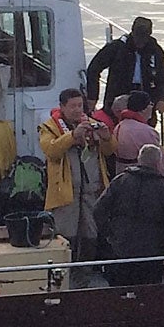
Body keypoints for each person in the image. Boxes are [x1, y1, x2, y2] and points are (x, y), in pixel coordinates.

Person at [93, 145, 164, 286]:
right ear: (158, 163)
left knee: (119, 290)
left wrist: (109, 234)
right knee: (148, 292)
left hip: (121, 248)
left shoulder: (120, 180)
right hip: (151, 252)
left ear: (139, 159)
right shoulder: (163, 188)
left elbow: (98, 209)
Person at [38, 88, 108, 252]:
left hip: (91, 190)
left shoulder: (91, 123)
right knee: (65, 232)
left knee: (91, 231)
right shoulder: (49, 128)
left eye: (80, 105)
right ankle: (65, 271)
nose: (77, 110)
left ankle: (86, 270)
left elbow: (109, 151)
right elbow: (51, 150)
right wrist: (73, 136)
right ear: (62, 107)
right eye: (73, 106)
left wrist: (106, 136)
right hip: (66, 193)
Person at [86, 16, 164, 115]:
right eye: (138, 37)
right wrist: (92, 96)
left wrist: (162, 98)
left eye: (143, 38)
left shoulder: (155, 51)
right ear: (132, 32)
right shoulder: (117, 48)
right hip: (118, 94)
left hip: (146, 95)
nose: (140, 42)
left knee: (145, 125)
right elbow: (93, 69)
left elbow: (163, 77)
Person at [111, 92, 164, 180]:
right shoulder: (147, 131)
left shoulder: (119, 126)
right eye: (150, 104)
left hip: (121, 173)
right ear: (143, 109)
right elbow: (159, 161)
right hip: (142, 178)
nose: (152, 107)